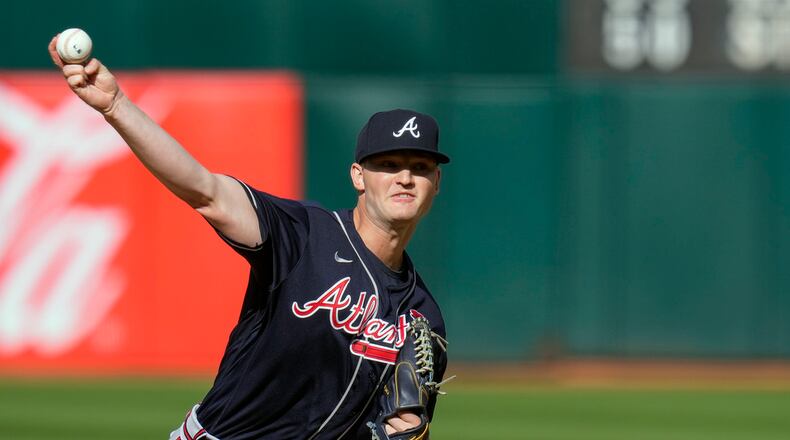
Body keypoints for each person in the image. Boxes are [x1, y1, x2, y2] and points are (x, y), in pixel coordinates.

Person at [48, 35, 450, 439]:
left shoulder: (422, 316)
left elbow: (399, 425)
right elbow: (204, 191)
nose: (404, 177)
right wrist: (116, 107)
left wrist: (411, 432)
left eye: (419, 167)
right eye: (389, 164)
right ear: (358, 176)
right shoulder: (305, 234)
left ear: (436, 181)